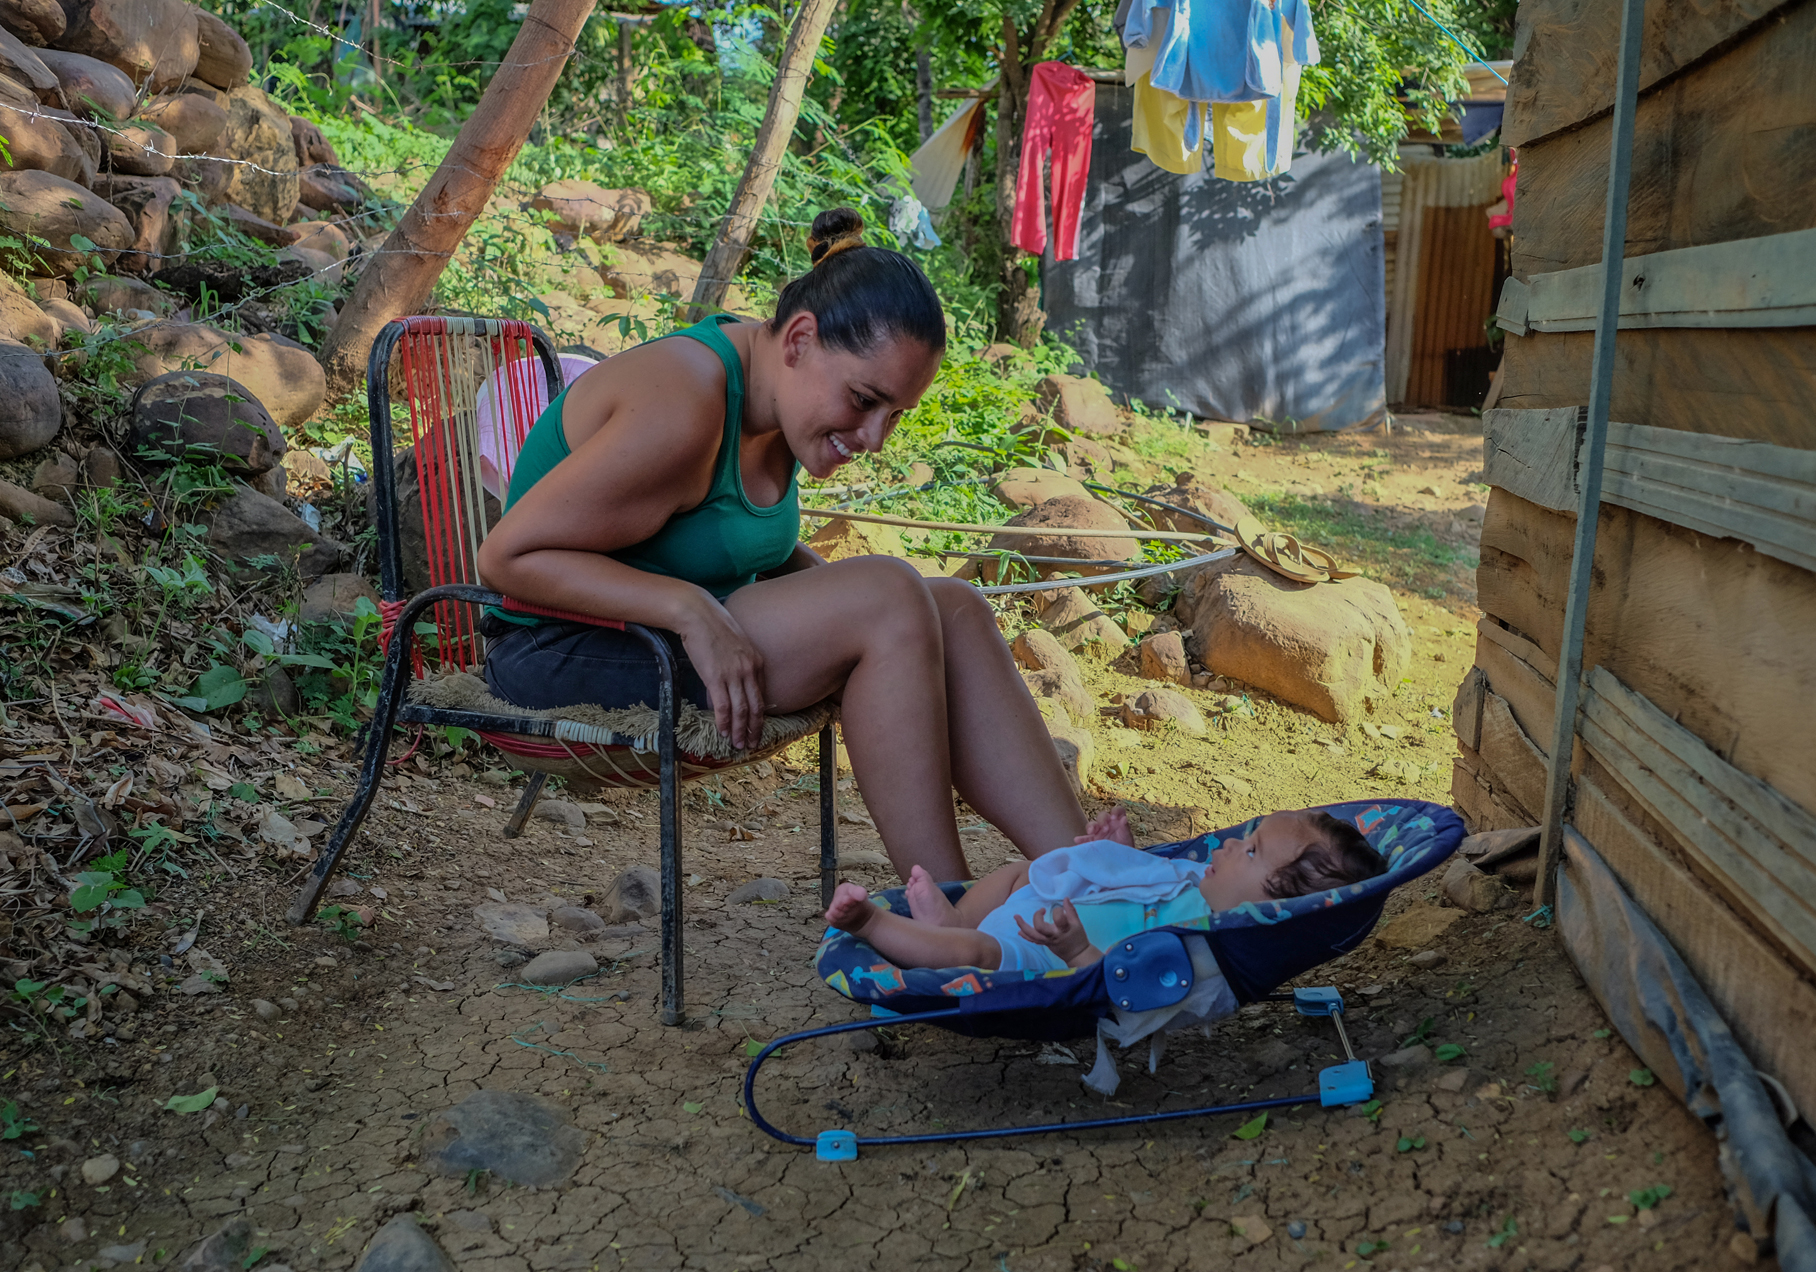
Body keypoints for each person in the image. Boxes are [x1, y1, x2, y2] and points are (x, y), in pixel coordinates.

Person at [475, 208, 1087, 883]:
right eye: (864, 400)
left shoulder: (780, 399)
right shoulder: (686, 399)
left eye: (895, 416)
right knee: (889, 597)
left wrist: (852, 606)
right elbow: (507, 559)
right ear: (799, 339)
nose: (875, 438)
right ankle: (943, 906)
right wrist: (688, 608)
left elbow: (725, 540)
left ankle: (1096, 876)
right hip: (558, 652)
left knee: (956, 608)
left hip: (665, 634)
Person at [821, 806, 1384, 973]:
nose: (1233, 845)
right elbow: (1148, 885)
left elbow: (1119, 978)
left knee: (978, 954)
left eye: (1252, 851)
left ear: (1273, 904)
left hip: (1042, 954)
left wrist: (1073, 950)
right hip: (1048, 911)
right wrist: (1126, 854)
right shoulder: (1202, 884)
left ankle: (874, 924)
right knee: (1024, 870)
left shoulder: (1196, 940)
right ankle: (952, 921)